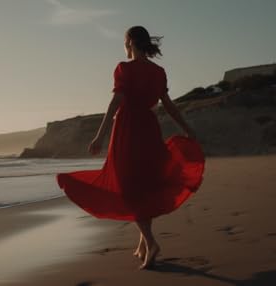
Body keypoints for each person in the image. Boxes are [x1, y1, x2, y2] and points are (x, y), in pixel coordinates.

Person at [56, 26, 205, 270]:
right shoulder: (158, 72)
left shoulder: (124, 69)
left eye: (125, 42)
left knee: (129, 188)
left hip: (128, 131)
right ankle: (142, 244)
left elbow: (116, 102)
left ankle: (151, 242)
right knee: (144, 185)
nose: (124, 47)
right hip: (149, 128)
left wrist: (100, 135)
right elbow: (168, 105)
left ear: (131, 43)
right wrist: (186, 127)